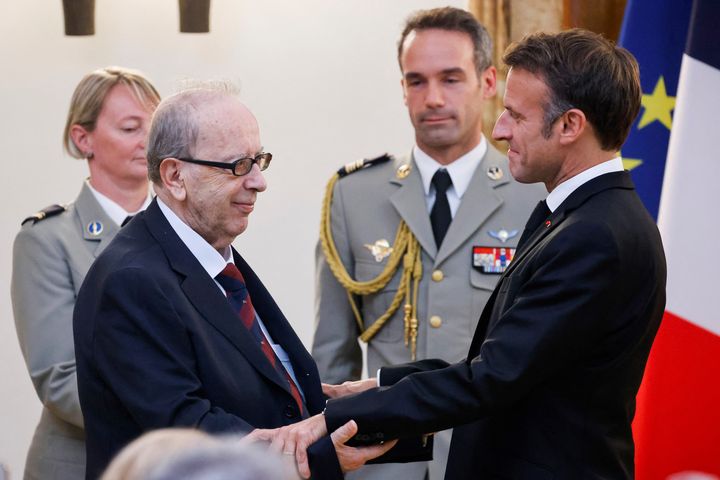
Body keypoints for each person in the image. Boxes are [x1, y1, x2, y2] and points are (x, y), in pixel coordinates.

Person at [253, 29, 667, 480]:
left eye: (514, 115)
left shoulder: (595, 235)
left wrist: (332, 422)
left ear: (569, 125)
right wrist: (378, 385)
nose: (501, 130)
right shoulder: (576, 215)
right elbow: (506, 360)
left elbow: (493, 376)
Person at [72, 84, 401, 479]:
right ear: (175, 176)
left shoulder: (212, 252)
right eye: (238, 166)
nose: (259, 182)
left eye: (259, 160)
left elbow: (248, 384)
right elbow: (188, 431)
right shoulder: (131, 281)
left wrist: (332, 400)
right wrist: (316, 457)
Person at [312, 7, 545, 479]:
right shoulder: (353, 195)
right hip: (381, 464)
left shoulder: (534, 195)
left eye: (451, 79)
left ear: (487, 83)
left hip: (492, 458)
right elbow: (332, 355)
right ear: (402, 89)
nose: (432, 97)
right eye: (416, 81)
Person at [11, 66, 160, 480]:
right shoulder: (47, 240)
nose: (148, 141)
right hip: (83, 466)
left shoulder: (189, 235)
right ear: (83, 139)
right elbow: (60, 379)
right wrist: (178, 416)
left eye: (156, 125)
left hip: (177, 462)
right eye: (131, 127)